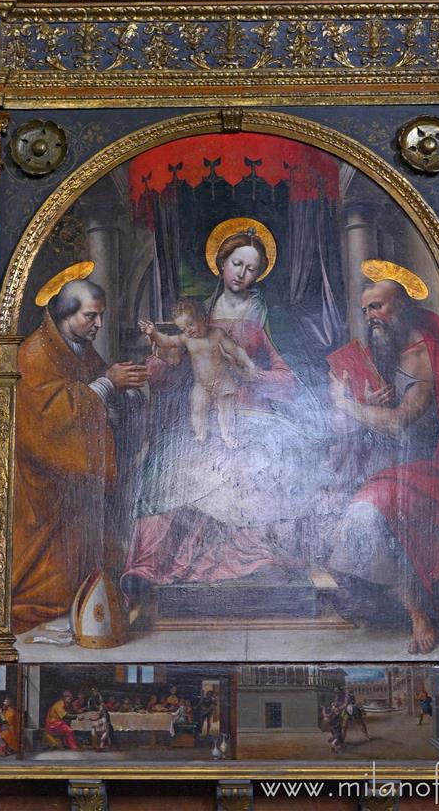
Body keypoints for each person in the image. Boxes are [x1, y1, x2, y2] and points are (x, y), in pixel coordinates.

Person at [124, 220, 329, 602]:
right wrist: (161, 362)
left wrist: (253, 376)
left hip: (254, 415)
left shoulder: (273, 316)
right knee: (168, 464)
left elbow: (289, 380)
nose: (243, 274)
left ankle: (251, 563)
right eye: (237, 263)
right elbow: (173, 369)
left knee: (249, 466)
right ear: (221, 262)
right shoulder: (196, 314)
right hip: (202, 412)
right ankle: (149, 566)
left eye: (252, 268)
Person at [325, 261, 439, 655]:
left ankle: (417, 613)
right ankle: (367, 598)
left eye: (378, 307)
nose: (371, 317)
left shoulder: (422, 355)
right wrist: (364, 402)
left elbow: (400, 422)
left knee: (366, 513)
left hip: (427, 467)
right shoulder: (384, 348)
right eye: (366, 310)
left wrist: (348, 406)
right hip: (383, 464)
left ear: (401, 306)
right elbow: (377, 407)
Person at [12, 262, 148, 634]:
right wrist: (108, 384)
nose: (98, 325)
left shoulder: (78, 349)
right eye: (91, 316)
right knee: (49, 581)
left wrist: (127, 392)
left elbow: (99, 390)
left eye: (101, 316)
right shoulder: (35, 353)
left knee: (88, 559)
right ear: (66, 312)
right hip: (45, 484)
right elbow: (48, 419)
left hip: (76, 483)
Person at [139, 298, 260, 448]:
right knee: (197, 408)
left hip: (222, 381)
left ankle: (228, 436)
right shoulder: (187, 339)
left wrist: (249, 364)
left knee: (226, 411)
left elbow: (235, 349)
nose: (188, 330)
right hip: (201, 385)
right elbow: (167, 342)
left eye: (190, 324)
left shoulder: (217, 334)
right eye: (183, 328)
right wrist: (153, 334)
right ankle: (200, 435)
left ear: (202, 318)